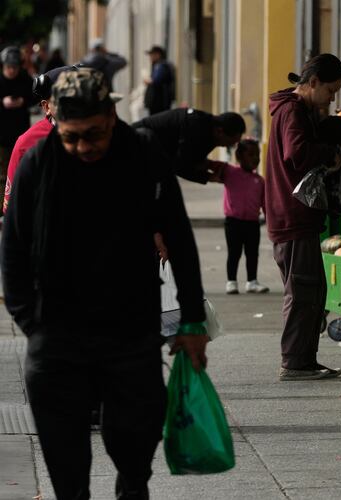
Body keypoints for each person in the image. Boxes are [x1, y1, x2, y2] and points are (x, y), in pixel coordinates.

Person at [0, 67, 208, 500]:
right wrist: (31, 323)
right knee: (66, 461)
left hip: (129, 329)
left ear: (112, 116)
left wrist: (190, 321)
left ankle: (131, 486)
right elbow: (13, 248)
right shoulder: (38, 162)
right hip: (56, 332)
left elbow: (179, 239)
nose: (83, 147)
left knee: (135, 446)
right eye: (72, 136)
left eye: (93, 135)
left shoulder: (143, 154)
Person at [265, 53, 341, 381]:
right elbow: (296, 154)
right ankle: (295, 363)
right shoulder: (293, 111)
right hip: (292, 215)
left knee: (311, 290)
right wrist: (331, 153)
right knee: (302, 291)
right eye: (330, 90)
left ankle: (304, 360)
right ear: (312, 83)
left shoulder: (294, 109)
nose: (332, 98)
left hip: (293, 214)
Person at [3, 65, 75, 213]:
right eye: (64, 99)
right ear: (46, 106)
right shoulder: (26, 144)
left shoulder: (105, 129)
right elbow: (12, 208)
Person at [211, 138, 269, 295]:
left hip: (252, 223)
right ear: (239, 156)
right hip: (233, 222)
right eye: (250, 154)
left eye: (257, 154)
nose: (255, 158)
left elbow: (265, 203)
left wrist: (270, 219)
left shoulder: (260, 180)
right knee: (234, 252)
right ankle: (231, 281)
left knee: (252, 253)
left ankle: (252, 282)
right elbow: (210, 165)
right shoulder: (230, 172)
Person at [133, 107, 246, 184]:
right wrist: (209, 177)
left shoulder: (208, 128)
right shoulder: (197, 130)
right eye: (231, 141)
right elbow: (180, 166)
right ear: (220, 131)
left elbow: (191, 158)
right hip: (135, 146)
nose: (231, 146)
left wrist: (210, 165)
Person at [0, 46, 34, 212]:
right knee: (2, 174)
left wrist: (23, 101)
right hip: (1, 136)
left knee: (21, 172)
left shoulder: (24, 79)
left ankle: (20, 207)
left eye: (15, 67)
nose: (12, 71)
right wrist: (2, 103)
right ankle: (2, 209)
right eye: (8, 67)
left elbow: (35, 97)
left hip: (21, 134)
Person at [143, 45, 176, 115]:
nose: (150, 57)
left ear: (158, 55)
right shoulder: (160, 65)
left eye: (152, 55)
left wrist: (148, 81)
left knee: (156, 123)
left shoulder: (161, 66)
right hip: (160, 103)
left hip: (159, 103)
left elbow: (156, 80)